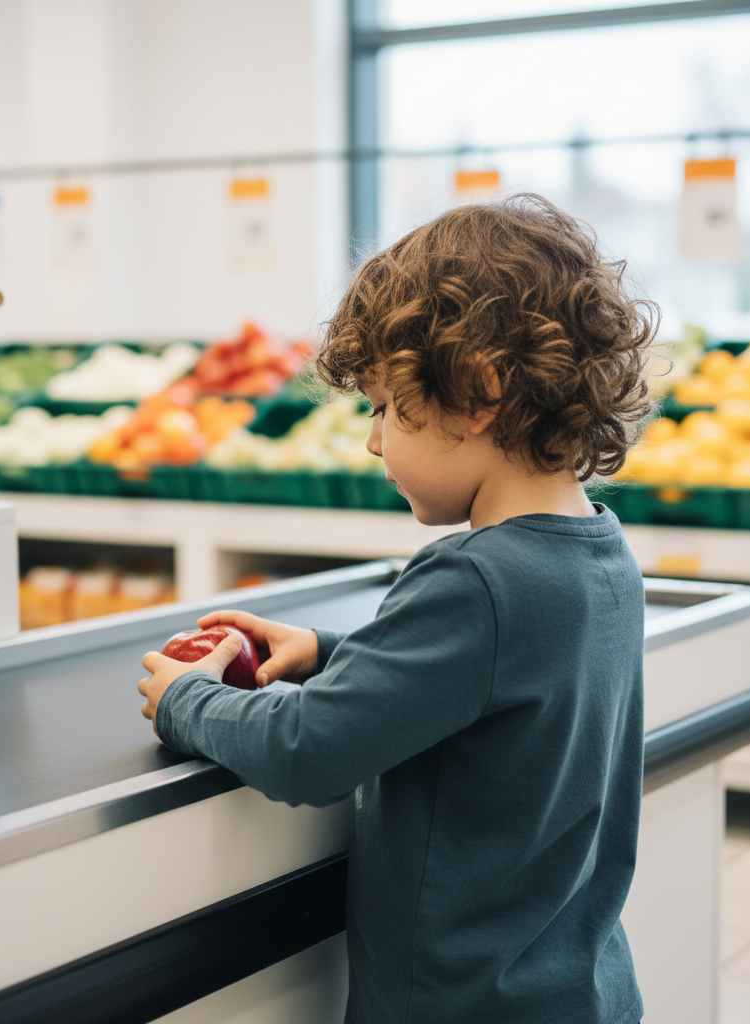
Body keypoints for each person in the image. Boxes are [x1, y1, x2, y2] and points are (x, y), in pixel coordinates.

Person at [138, 194, 656, 1024]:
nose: (374, 441)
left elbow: (307, 751)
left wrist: (185, 702)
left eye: (382, 406)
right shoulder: (599, 553)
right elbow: (496, 686)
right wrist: (327, 650)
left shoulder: (476, 579)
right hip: (579, 991)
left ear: (479, 391)